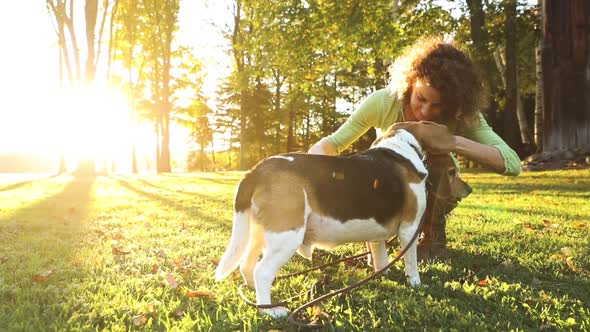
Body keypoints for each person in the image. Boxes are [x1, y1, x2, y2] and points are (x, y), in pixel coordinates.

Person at [308, 37, 521, 261]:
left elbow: (512, 163)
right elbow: (332, 143)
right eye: (421, 98)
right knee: (365, 165)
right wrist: (308, 177)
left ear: (455, 102)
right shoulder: (384, 102)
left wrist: (453, 142)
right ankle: (377, 237)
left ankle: (431, 239)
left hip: (434, 192)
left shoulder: (464, 115)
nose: (426, 110)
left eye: (438, 105)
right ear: (410, 82)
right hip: (383, 188)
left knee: (438, 162)